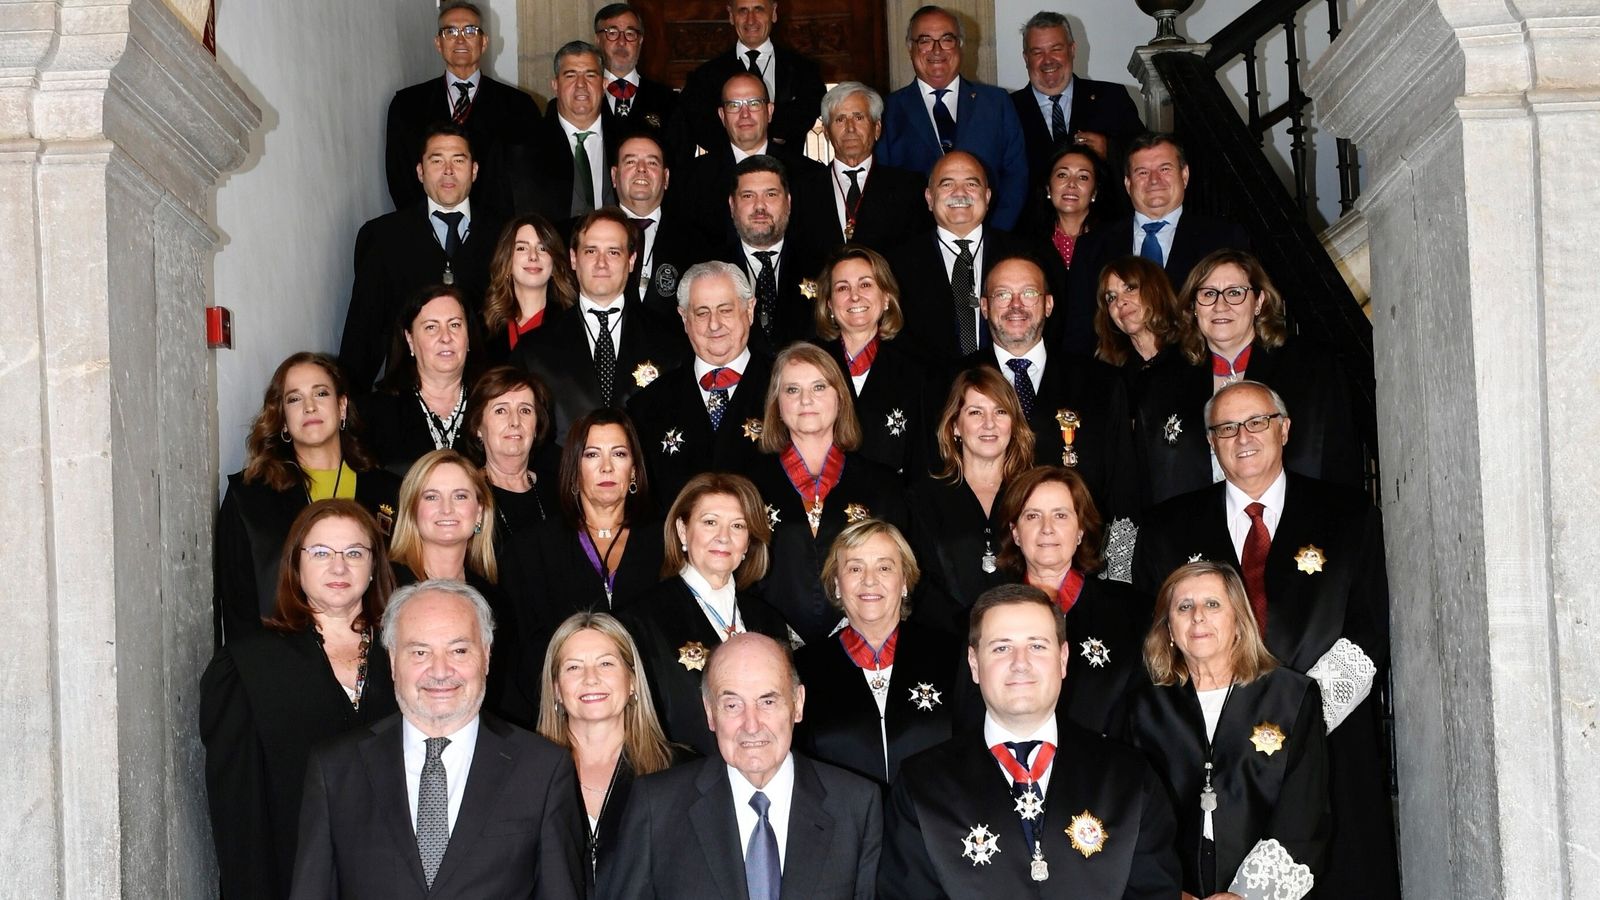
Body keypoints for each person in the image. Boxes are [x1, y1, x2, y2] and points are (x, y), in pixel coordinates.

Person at [1133, 380, 1399, 899]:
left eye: (1256, 422)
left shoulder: (1348, 516)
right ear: (1210, 442)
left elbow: (1368, 629)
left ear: (1284, 429)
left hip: (1328, 741)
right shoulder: (1168, 526)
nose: (1243, 437)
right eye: (1226, 428)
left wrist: (1298, 713)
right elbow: (1154, 633)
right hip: (1207, 751)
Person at [288, 580, 585, 899]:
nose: (440, 671)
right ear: (392, 662)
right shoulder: (335, 770)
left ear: (485, 656)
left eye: (458, 650)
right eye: (419, 652)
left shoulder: (542, 769)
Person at [878, 584, 1181, 897]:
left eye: (1037, 646)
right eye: (1001, 648)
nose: (1020, 662)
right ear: (973, 664)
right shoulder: (921, 787)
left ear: (1063, 659)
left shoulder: (1130, 778)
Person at [201, 501, 399, 899]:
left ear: (375, 565)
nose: (338, 567)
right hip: (295, 878)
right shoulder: (248, 666)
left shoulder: (411, 655)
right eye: (321, 553)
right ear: (295, 564)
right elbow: (239, 814)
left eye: (354, 553)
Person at [602, 633, 882, 899]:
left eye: (768, 701)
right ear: (710, 712)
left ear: (797, 704)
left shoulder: (856, 806)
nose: (751, 724)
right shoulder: (657, 807)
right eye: (733, 705)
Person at [1124, 562, 1329, 900]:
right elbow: (1129, 812)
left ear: (1239, 621)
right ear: (1170, 630)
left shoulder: (1291, 697)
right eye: (1184, 606)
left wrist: (1247, 895)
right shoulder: (1144, 707)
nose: (1198, 616)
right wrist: (1166, 890)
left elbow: (1303, 812)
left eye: (1213, 604)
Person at [1139, 249, 1363, 504]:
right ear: (1193, 307)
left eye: (1235, 293)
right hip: (1194, 533)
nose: (1220, 305)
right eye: (1208, 294)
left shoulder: (1312, 367)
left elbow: (1341, 460)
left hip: (1296, 524)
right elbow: (1146, 481)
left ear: (1259, 302)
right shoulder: (1162, 382)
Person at [214, 352, 401, 644]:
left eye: (321, 393)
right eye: (294, 399)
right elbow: (237, 608)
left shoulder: (390, 491)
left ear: (342, 406)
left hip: (376, 657)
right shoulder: (249, 498)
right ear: (283, 421)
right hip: (281, 665)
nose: (310, 406)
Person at [622, 473, 789, 756]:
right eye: (710, 522)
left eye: (738, 526)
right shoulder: (640, 619)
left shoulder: (770, 620)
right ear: (683, 530)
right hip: (680, 782)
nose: (723, 537)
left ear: (748, 542)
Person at [750, 343, 907, 644]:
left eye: (819, 387)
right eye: (792, 390)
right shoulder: (749, 485)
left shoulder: (883, 485)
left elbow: (900, 574)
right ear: (777, 404)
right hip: (770, 644)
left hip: (861, 643)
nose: (806, 400)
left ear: (840, 398)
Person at [963, 255, 1138, 521]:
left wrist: (1116, 562)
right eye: (1002, 295)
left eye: (1029, 293)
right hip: (978, 551)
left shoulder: (1101, 383)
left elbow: (1123, 489)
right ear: (985, 307)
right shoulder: (948, 382)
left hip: (1080, 555)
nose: (1016, 305)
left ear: (1048, 304)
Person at [793, 520, 960, 785]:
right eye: (855, 568)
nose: (869, 580)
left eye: (884, 567)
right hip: (843, 823)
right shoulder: (803, 668)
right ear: (837, 584)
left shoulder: (951, 656)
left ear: (904, 581)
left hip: (936, 822)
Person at [342, 125, 502, 390]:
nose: (448, 170)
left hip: (486, 396)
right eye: (437, 160)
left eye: (458, 160)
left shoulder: (506, 235)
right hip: (405, 397)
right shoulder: (383, 237)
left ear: (474, 171)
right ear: (420, 171)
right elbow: (363, 333)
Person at [996, 465, 1153, 734]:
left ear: (1080, 530)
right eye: (1033, 516)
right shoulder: (989, 615)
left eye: (1060, 515)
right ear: (1015, 533)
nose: (1047, 528)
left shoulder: (1134, 614)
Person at [534, 611, 688, 882]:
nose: (590, 678)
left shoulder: (682, 771)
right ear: (556, 689)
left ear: (632, 682)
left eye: (606, 664)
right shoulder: (523, 776)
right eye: (573, 667)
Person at [511, 208, 687, 441]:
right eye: (591, 251)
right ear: (574, 258)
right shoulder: (534, 350)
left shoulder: (671, 342)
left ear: (631, 260)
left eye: (613, 252)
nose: (601, 263)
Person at [1068, 133, 1251, 356]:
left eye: (1165, 169)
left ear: (1184, 175)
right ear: (1128, 183)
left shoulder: (1224, 238)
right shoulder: (1092, 245)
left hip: (1200, 372)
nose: (1154, 180)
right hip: (1120, 379)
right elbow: (1079, 331)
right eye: (1142, 172)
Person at [387, 449, 531, 726]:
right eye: (431, 497)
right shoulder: (384, 585)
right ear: (412, 510)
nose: (446, 509)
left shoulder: (496, 599)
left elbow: (506, 694)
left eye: (460, 496)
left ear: (479, 512)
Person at [626, 260, 774, 502]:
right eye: (702, 312)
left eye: (725, 310)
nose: (714, 324)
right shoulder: (647, 406)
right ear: (684, 318)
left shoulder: (788, 390)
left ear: (749, 310)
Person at [519, 410, 663, 654]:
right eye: (592, 454)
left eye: (619, 454)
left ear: (635, 470)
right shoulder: (533, 549)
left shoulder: (667, 541)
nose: (606, 467)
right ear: (574, 470)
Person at [906, 366, 1035, 635]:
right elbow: (919, 583)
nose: (989, 424)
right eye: (976, 412)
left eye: (1000, 412)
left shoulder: (1034, 494)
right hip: (945, 642)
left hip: (1023, 636)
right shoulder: (922, 498)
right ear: (955, 425)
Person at [879, 5, 1029, 230]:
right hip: (917, 249)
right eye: (925, 40)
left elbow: (1015, 176)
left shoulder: (996, 103)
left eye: (947, 39)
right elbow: (884, 185)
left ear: (960, 45)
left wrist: (994, 235)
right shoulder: (888, 110)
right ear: (910, 48)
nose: (936, 50)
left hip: (990, 241)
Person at [383, 1, 538, 211]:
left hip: (497, 230)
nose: (460, 39)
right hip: (427, 229)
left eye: (470, 30)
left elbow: (528, 179)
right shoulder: (407, 105)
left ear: (484, 42)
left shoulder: (519, 106)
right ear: (438, 43)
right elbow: (399, 176)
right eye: (450, 31)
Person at [887, 150, 1027, 370]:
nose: (960, 193)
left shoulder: (1024, 255)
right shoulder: (897, 265)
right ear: (929, 198)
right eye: (947, 184)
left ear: (988, 196)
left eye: (972, 184)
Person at [810, 244, 929, 480]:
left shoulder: (917, 373)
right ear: (829, 305)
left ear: (886, 298)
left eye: (865, 284)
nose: (854, 296)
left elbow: (923, 462)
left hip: (889, 508)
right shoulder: (807, 365)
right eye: (842, 288)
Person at [1009, 11, 1143, 218]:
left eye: (1056, 49)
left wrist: (1110, 149)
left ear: (1072, 50)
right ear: (1026, 58)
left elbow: (1145, 158)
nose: (1048, 60)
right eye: (1037, 52)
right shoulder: (1007, 108)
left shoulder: (1112, 98)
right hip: (1030, 237)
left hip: (1103, 232)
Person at [673, 72, 824, 248]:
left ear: (769, 111)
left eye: (754, 104)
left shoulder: (810, 175)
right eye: (734, 105)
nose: (745, 114)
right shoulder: (689, 179)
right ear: (722, 115)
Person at [792, 82, 931, 255]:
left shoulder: (909, 188)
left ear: (877, 129)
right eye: (840, 119)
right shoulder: (801, 190)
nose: (850, 128)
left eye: (859, 117)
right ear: (826, 132)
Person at [676, 0, 827, 156]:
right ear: (731, 15)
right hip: (728, 175)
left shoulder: (805, 70)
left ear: (773, 13)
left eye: (758, 9)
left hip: (789, 173)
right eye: (743, 11)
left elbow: (807, 113)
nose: (751, 20)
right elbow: (701, 126)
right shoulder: (704, 76)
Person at [357, 286, 478, 477]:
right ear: (410, 339)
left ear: (468, 335)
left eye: (454, 325)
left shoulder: (493, 402)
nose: (446, 337)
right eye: (431, 327)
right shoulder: (374, 413)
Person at [711, 154, 823, 351]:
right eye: (748, 196)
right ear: (732, 205)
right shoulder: (709, 270)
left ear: (788, 202)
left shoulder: (822, 265)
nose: (760, 206)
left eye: (770, 194)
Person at [507, 42, 618, 225]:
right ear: (555, 85)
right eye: (570, 75)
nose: (581, 84)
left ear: (604, 84)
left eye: (590, 75)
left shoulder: (626, 140)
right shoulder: (523, 148)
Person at [464, 366, 561, 540]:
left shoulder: (560, 490)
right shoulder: (467, 494)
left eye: (525, 410)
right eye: (501, 410)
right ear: (478, 426)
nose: (515, 421)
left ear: (537, 427)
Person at [609, 133, 693, 317]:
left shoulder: (696, 241)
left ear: (666, 178)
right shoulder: (586, 234)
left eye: (652, 163)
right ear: (614, 176)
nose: (641, 169)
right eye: (630, 162)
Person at [1031, 144, 1110, 336]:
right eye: (1062, 175)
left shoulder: (1113, 241)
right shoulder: (1028, 244)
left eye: (1083, 177)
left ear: (1094, 192)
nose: (1071, 184)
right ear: (1048, 188)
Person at [477, 214, 576, 366]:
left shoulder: (572, 325)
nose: (533, 256)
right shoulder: (484, 327)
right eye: (522, 248)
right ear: (507, 260)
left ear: (554, 263)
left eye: (542, 248)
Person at [1094, 255, 1181, 405]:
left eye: (1130, 288)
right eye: (1111, 298)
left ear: (1155, 290)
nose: (1120, 302)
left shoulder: (1191, 354)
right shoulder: (1109, 375)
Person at [593, 4, 679, 142]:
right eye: (613, 33)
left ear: (640, 41)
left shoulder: (668, 100)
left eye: (630, 34)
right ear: (597, 40)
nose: (622, 42)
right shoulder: (582, 96)